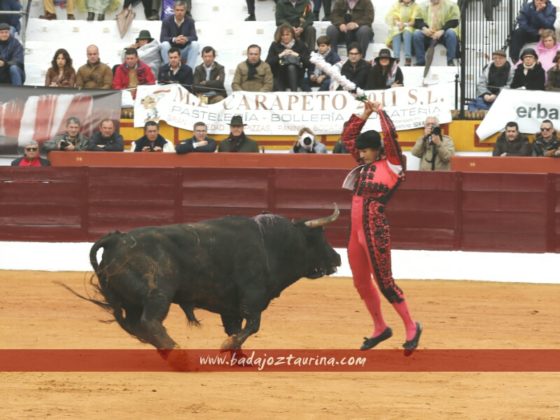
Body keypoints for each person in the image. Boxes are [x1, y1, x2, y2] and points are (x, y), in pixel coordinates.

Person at [341, 100, 421, 353]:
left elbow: (390, 135)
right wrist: (365, 113)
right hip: (356, 231)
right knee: (361, 282)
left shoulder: (394, 165)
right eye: (361, 151)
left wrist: (381, 112)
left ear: (377, 150)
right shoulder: (366, 163)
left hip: (375, 229)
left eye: (366, 151)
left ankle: (411, 325)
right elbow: (348, 136)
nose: (360, 154)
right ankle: (380, 327)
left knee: (385, 281)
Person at [413, 0, 460, 66]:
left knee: (451, 33)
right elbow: (417, 21)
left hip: (443, 33)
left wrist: (442, 30)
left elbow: (454, 21)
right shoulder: (422, 6)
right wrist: (425, 29)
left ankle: (450, 61)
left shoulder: (451, 5)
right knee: (417, 34)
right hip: (428, 33)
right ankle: (421, 61)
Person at [266, 23, 310, 92]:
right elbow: (267, 63)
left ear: (292, 34)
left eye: (287, 35)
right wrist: (280, 55)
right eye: (283, 35)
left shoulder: (300, 44)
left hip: (297, 76)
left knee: (291, 67)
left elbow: (308, 63)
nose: (285, 37)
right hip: (280, 76)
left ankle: (294, 92)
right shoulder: (275, 45)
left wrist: (297, 55)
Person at [160, 0, 200, 70]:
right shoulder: (166, 21)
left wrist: (186, 39)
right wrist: (174, 39)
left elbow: (194, 37)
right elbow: (162, 38)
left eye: (182, 10)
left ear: (185, 11)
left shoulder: (190, 21)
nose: (179, 12)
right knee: (164, 44)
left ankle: (188, 71)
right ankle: (168, 69)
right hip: (172, 50)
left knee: (195, 44)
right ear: (174, 10)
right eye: (177, 10)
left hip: (184, 50)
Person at [385, 0, 418, 66]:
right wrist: (398, 23)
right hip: (399, 25)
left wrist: (405, 24)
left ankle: (408, 58)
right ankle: (396, 57)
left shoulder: (415, 6)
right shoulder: (396, 4)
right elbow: (393, 17)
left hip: (410, 26)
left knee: (407, 32)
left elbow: (414, 21)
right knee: (396, 31)